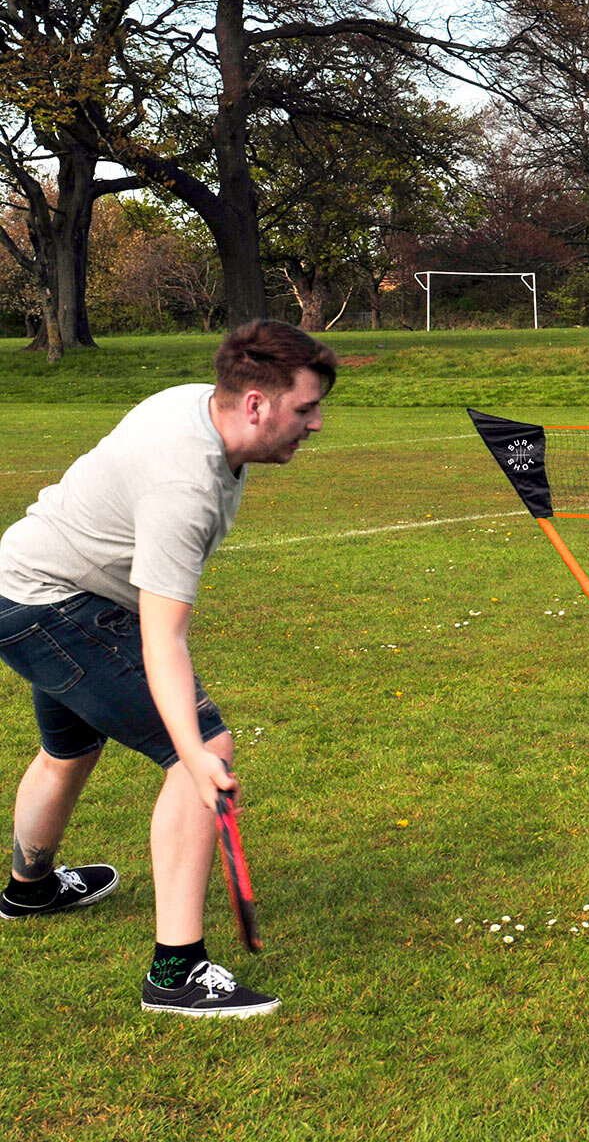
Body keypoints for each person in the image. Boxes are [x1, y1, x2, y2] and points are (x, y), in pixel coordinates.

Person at [0, 320, 336, 1017]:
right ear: (254, 404)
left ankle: (29, 889)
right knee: (200, 752)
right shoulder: (183, 485)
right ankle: (176, 973)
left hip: (27, 582)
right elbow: (163, 639)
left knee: (70, 748)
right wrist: (195, 753)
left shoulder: (198, 405)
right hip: (51, 604)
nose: (317, 425)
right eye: (305, 409)